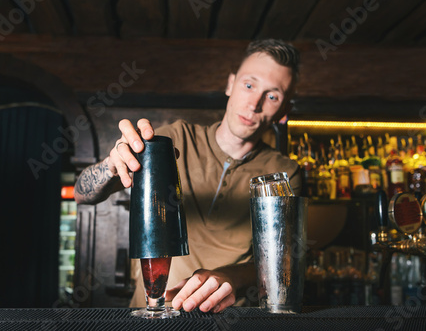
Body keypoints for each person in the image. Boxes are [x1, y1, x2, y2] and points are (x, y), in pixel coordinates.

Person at [74, 38, 302, 313]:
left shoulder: (284, 173)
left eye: (273, 96)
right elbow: (81, 194)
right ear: (231, 84)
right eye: (249, 85)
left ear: (284, 110)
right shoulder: (176, 138)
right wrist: (111, 165)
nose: (254, 103)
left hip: (227, 318)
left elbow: (284, 262)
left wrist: (231, 277)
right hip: (153, 315)